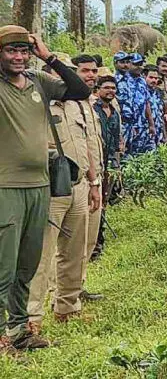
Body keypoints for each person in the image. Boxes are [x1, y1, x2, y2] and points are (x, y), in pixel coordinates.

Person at [0, 27, 90, 352]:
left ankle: (20, 330)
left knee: (27, 263)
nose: (19, 57)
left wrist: (48, 56)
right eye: (11, 51)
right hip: (6, 187)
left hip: (40, 185)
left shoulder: (39, 80)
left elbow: (80, 90)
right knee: (4, 265)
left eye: (24, 51)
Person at [27, 54, 101, 337]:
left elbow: (87, 144)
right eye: (60, 73)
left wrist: (93, 181)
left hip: (79, 184)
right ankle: (32, 316)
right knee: (42, 254)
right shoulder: (36, 101)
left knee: (75, 251)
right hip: (50, 187)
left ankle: (67, 307)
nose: (64, 78)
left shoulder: (76, 105)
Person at [70, 54, 105, 301]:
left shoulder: (88, 103)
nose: (90, 76)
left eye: (93, 71)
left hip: (96, 178)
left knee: (89, 239)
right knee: (72, 243)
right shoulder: (65, 104)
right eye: (84, 71)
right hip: (76, 181)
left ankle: (78, 287)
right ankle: (62, 293)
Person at [93, 75, 122, 259]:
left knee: (104, 202)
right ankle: (93, 246)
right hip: (95, 161)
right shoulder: (92, 110)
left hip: (110, 162)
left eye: (113, 88)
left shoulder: (114, 112)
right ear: (98, 89)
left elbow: (117, 139)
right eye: (107, 88)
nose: (110, 91)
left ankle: (99, 242)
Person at [144, 65, 166, 148]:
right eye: (151, 77)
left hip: (158, 133)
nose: (154, 80)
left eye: (156, 78)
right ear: (144, 76)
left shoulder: (157, 93)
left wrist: (164, 135)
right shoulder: (141, 93)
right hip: (146, 134)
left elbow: (160, 115)